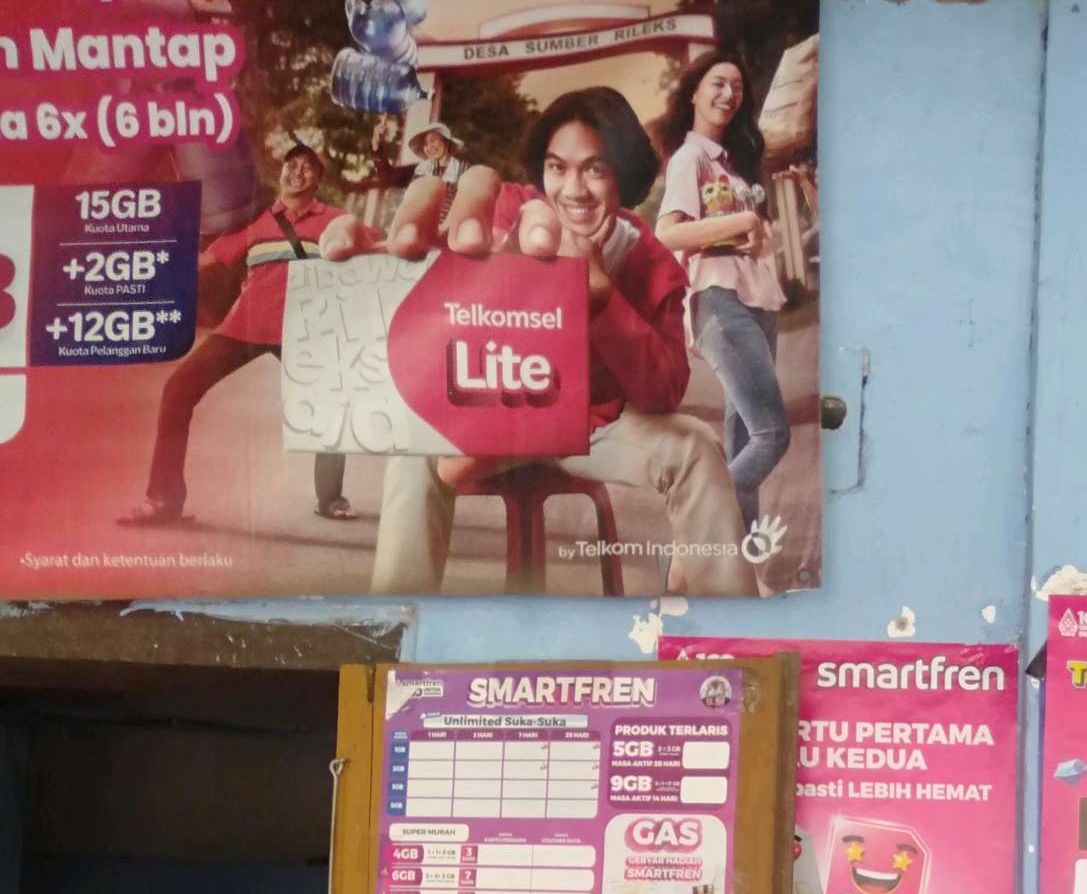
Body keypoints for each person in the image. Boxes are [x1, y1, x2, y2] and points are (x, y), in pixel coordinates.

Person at [323, 85, 752, 597]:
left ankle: (729, 620)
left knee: (696, 445)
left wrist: (602, 299)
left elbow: (665, 391)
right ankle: (398, 619)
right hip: (493, 418)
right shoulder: (514, 212)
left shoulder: (647, 259)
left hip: (591, 427)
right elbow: (434, 286)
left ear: (623, 174)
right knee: (414, 452)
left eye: (595, 169)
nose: (573, 189)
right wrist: (377, 268)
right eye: (557, 168)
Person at [122, 139, 353, 526]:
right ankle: (163, 499)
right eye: (291, 164)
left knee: (333, 401)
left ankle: (330, 498)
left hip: (303, 334)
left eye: (307, 167)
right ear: (281, 172)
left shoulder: (335, 219)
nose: (297, 172)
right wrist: (145, 269)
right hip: (244, 326)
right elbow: (208, 259)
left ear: (318, 179)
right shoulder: (257, 221)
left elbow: (369, 250)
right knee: (178, 389)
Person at [656, 51, 791, 544]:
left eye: (737, 86)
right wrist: (742, 221)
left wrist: (755, 229)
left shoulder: (731, 166)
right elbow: (668, 234)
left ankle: (741, 566)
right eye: (717, 83)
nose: (729, 94)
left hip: (755, 300)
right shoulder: (689, 159)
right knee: (772, 436)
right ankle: (693, 538)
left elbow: (752, 236)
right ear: (694, 92)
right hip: (719, 298)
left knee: (745, 440)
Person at [369, 112, 466, 194]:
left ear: (446, 142)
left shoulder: (463, 172)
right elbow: (387, 178)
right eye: (425, 144)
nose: (429, 147)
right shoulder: (419, 171)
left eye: (433, 140)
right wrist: (377, 145)